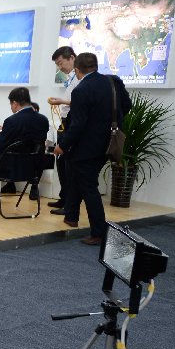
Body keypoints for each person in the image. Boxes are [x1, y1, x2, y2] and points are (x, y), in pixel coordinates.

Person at [54, 52, 131, 245]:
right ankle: (71, 216)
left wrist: (62, 145)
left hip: (85, 147)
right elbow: (127, 106)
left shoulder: (81, 90)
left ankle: (99, 232)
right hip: (107, 143)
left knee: (89, 187)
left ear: (77, 70)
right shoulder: (112, 82)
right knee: (76, 177)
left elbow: (78, 124)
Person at [47, 46, 78, 212]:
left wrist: (61, 101)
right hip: (64, 122)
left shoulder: (80, 77)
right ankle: (64, 198)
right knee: (60, 162)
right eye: (57, 65)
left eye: (61, 63)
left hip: (71, 123)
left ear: (72, 58)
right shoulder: (71, 77)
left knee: (67, 164)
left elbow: (81, 102)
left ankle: (69, 204)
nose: (60, 67)